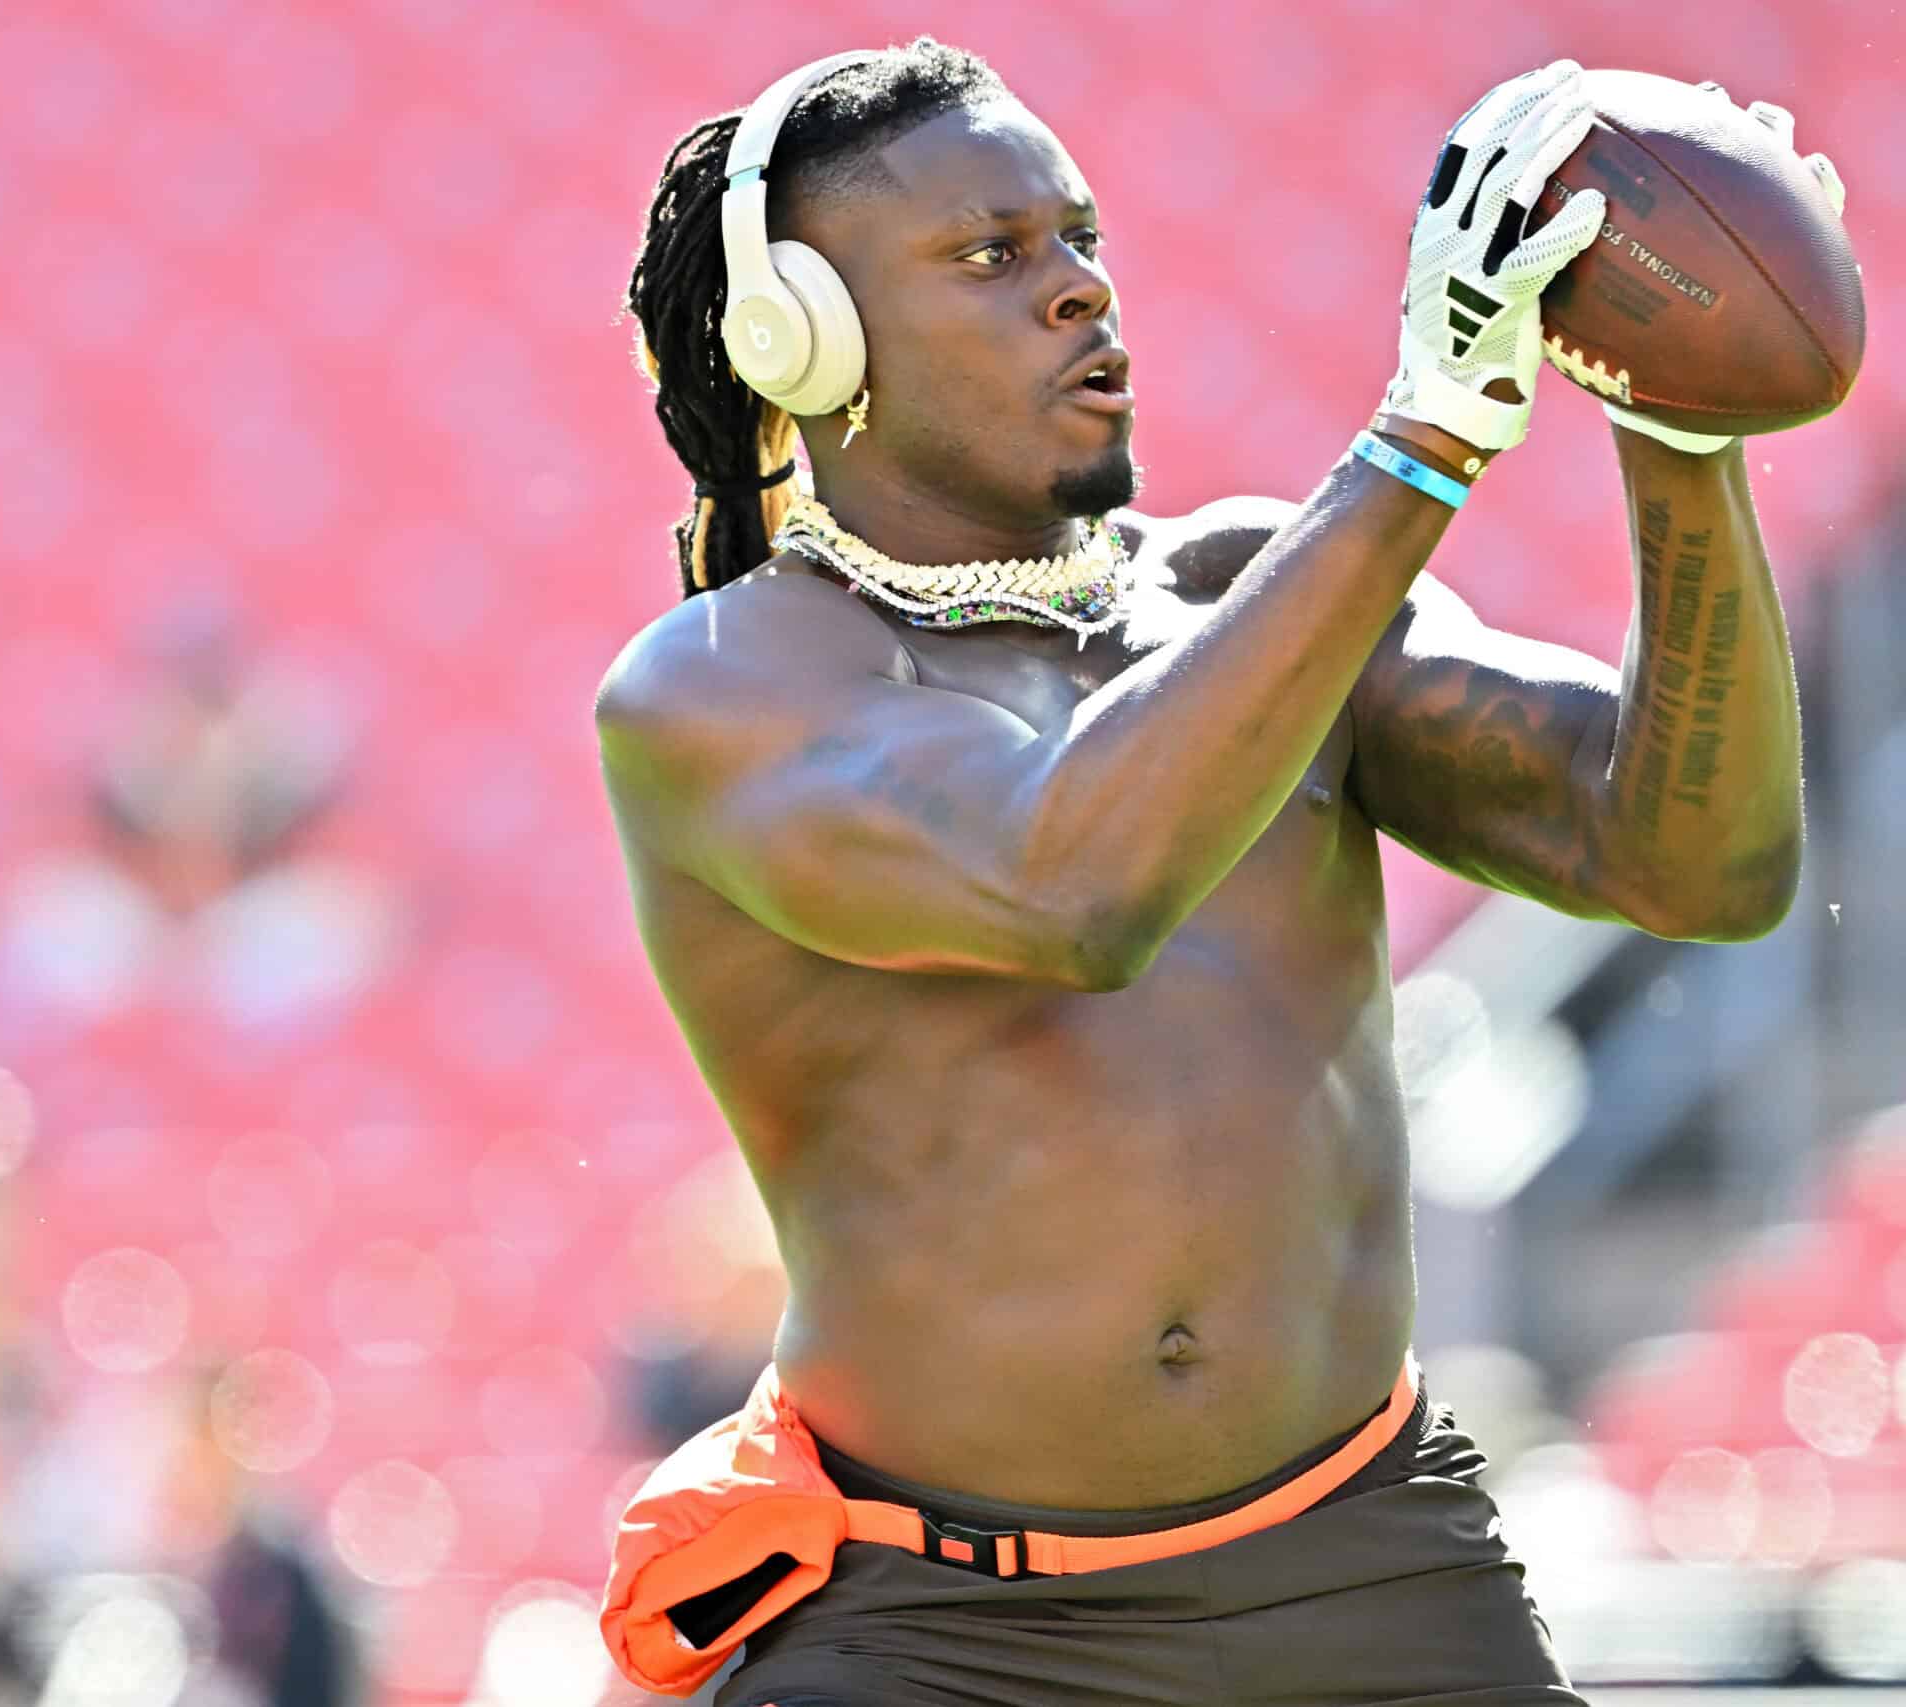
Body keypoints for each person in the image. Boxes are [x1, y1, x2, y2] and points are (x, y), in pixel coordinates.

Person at [594, 39, 1841, 1706]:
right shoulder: (720, 686)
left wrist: (1681, 421)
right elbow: (1073, 891)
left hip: (1365, 1557)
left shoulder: (1250, 585)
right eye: (990, 255)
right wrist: (1423, 443)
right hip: (942, 1623)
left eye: (1079, 238)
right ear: (802, 341)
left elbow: (1701, 861)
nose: (1076, 291)